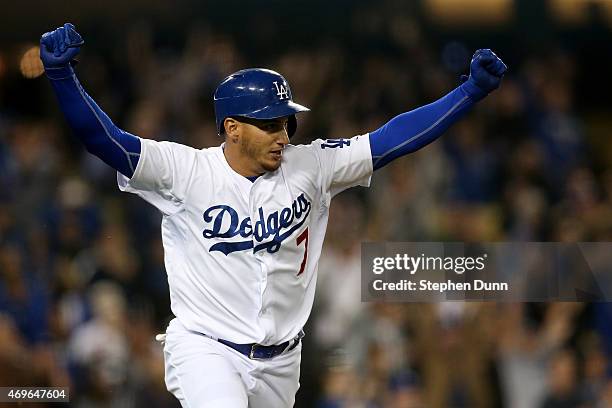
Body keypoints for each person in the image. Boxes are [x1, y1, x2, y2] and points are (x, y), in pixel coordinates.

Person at [40, 23, 506, 408]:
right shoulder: (186, 171)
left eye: (285, 121)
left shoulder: (312, 165)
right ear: (232, 128)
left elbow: (390, 139)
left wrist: (467, 92)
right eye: (268, 124)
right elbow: (108, 142)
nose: (282, 134)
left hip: (283, 363)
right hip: (207, 348)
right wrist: (62, 77)